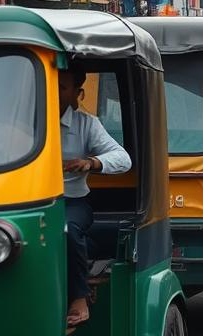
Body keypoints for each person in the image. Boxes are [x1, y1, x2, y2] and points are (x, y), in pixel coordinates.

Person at [59, 67, 131, 327]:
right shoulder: (19, 122)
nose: (54, 92)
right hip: (28, 201)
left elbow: (123, 159)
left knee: (67, 229)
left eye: (62, 87)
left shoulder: (86, 124)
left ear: (78, 94)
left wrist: (92, 162)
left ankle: (79, 298)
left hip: (73, 201)